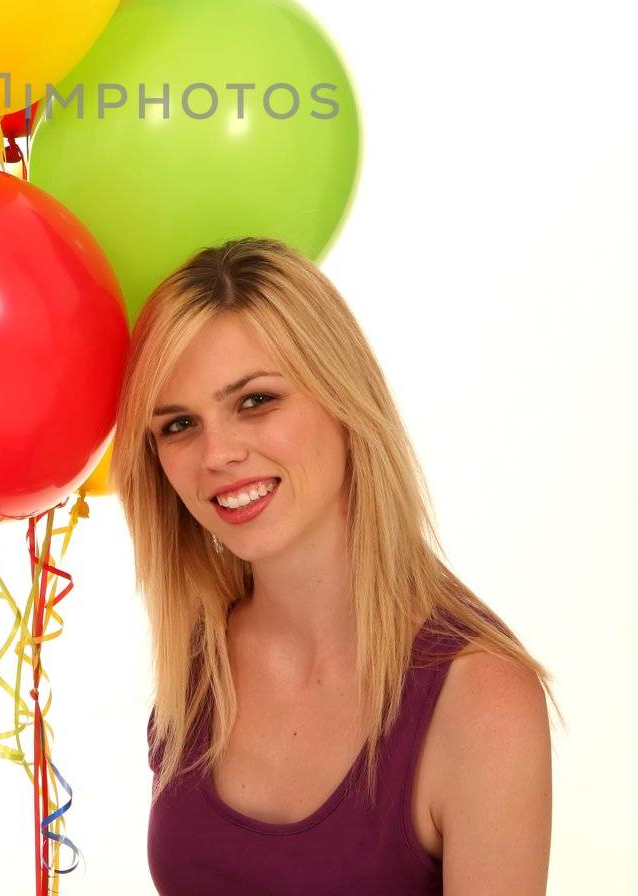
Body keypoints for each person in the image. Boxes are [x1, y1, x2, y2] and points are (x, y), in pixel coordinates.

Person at [109, 237, 556, 896]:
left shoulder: (478, 702)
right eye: (178, 425)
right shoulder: (196, 661)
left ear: (342, 400)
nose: (217, 455)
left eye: (254, 401)